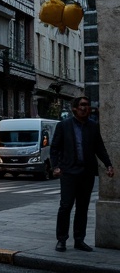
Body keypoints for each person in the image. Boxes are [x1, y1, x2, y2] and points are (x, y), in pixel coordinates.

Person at [50, 96, 114, 252]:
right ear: (74, 108)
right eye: (82, 105)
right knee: (65, 206)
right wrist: (56, 166)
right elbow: (55, 148)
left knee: (82, 208)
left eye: (87, 105)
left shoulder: (93, 126)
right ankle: (61, 240)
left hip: (86, 173)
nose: (86, 108)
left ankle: (79, 240)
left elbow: (99, 147)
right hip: (69, 173)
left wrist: (108, 164)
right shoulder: (63, 126)